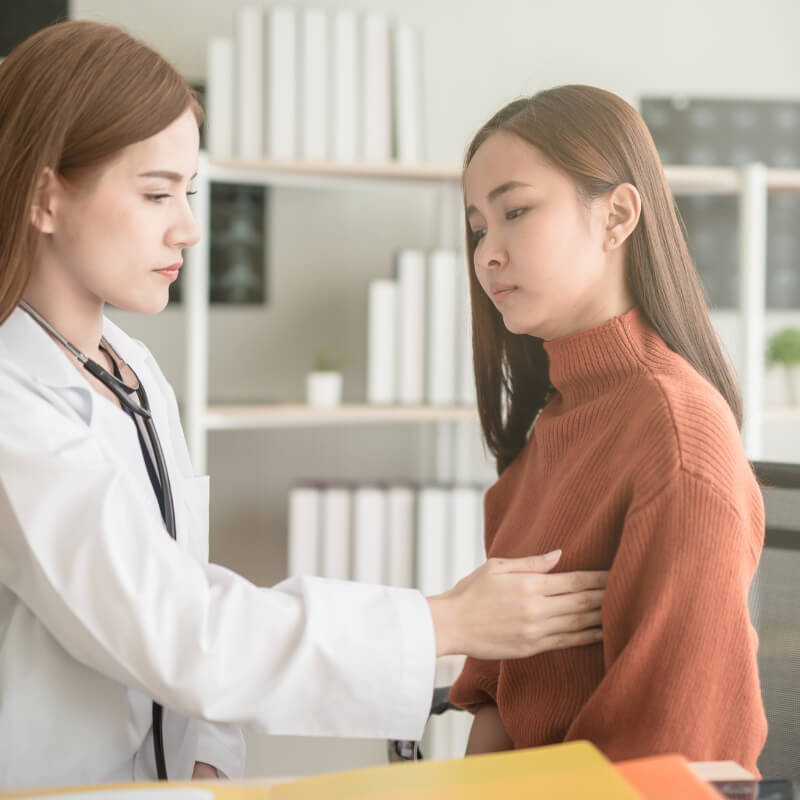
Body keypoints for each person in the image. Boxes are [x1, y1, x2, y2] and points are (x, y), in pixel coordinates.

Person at [0, 23, 610, 787]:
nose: (189, 227)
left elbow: (185, 587)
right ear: (45, 197)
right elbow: (175, 629)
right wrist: (446, 620)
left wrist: (208, 756)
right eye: (157, 193)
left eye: (187, 193)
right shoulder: (13, 406)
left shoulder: (134, 372)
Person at [448, 85, 767, 774]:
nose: (487, 254)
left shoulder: (677, 438)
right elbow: (500, 701)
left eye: (517, 211)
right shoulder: (554, 425)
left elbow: (672, 760)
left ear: (617, 215)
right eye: (478, 226)